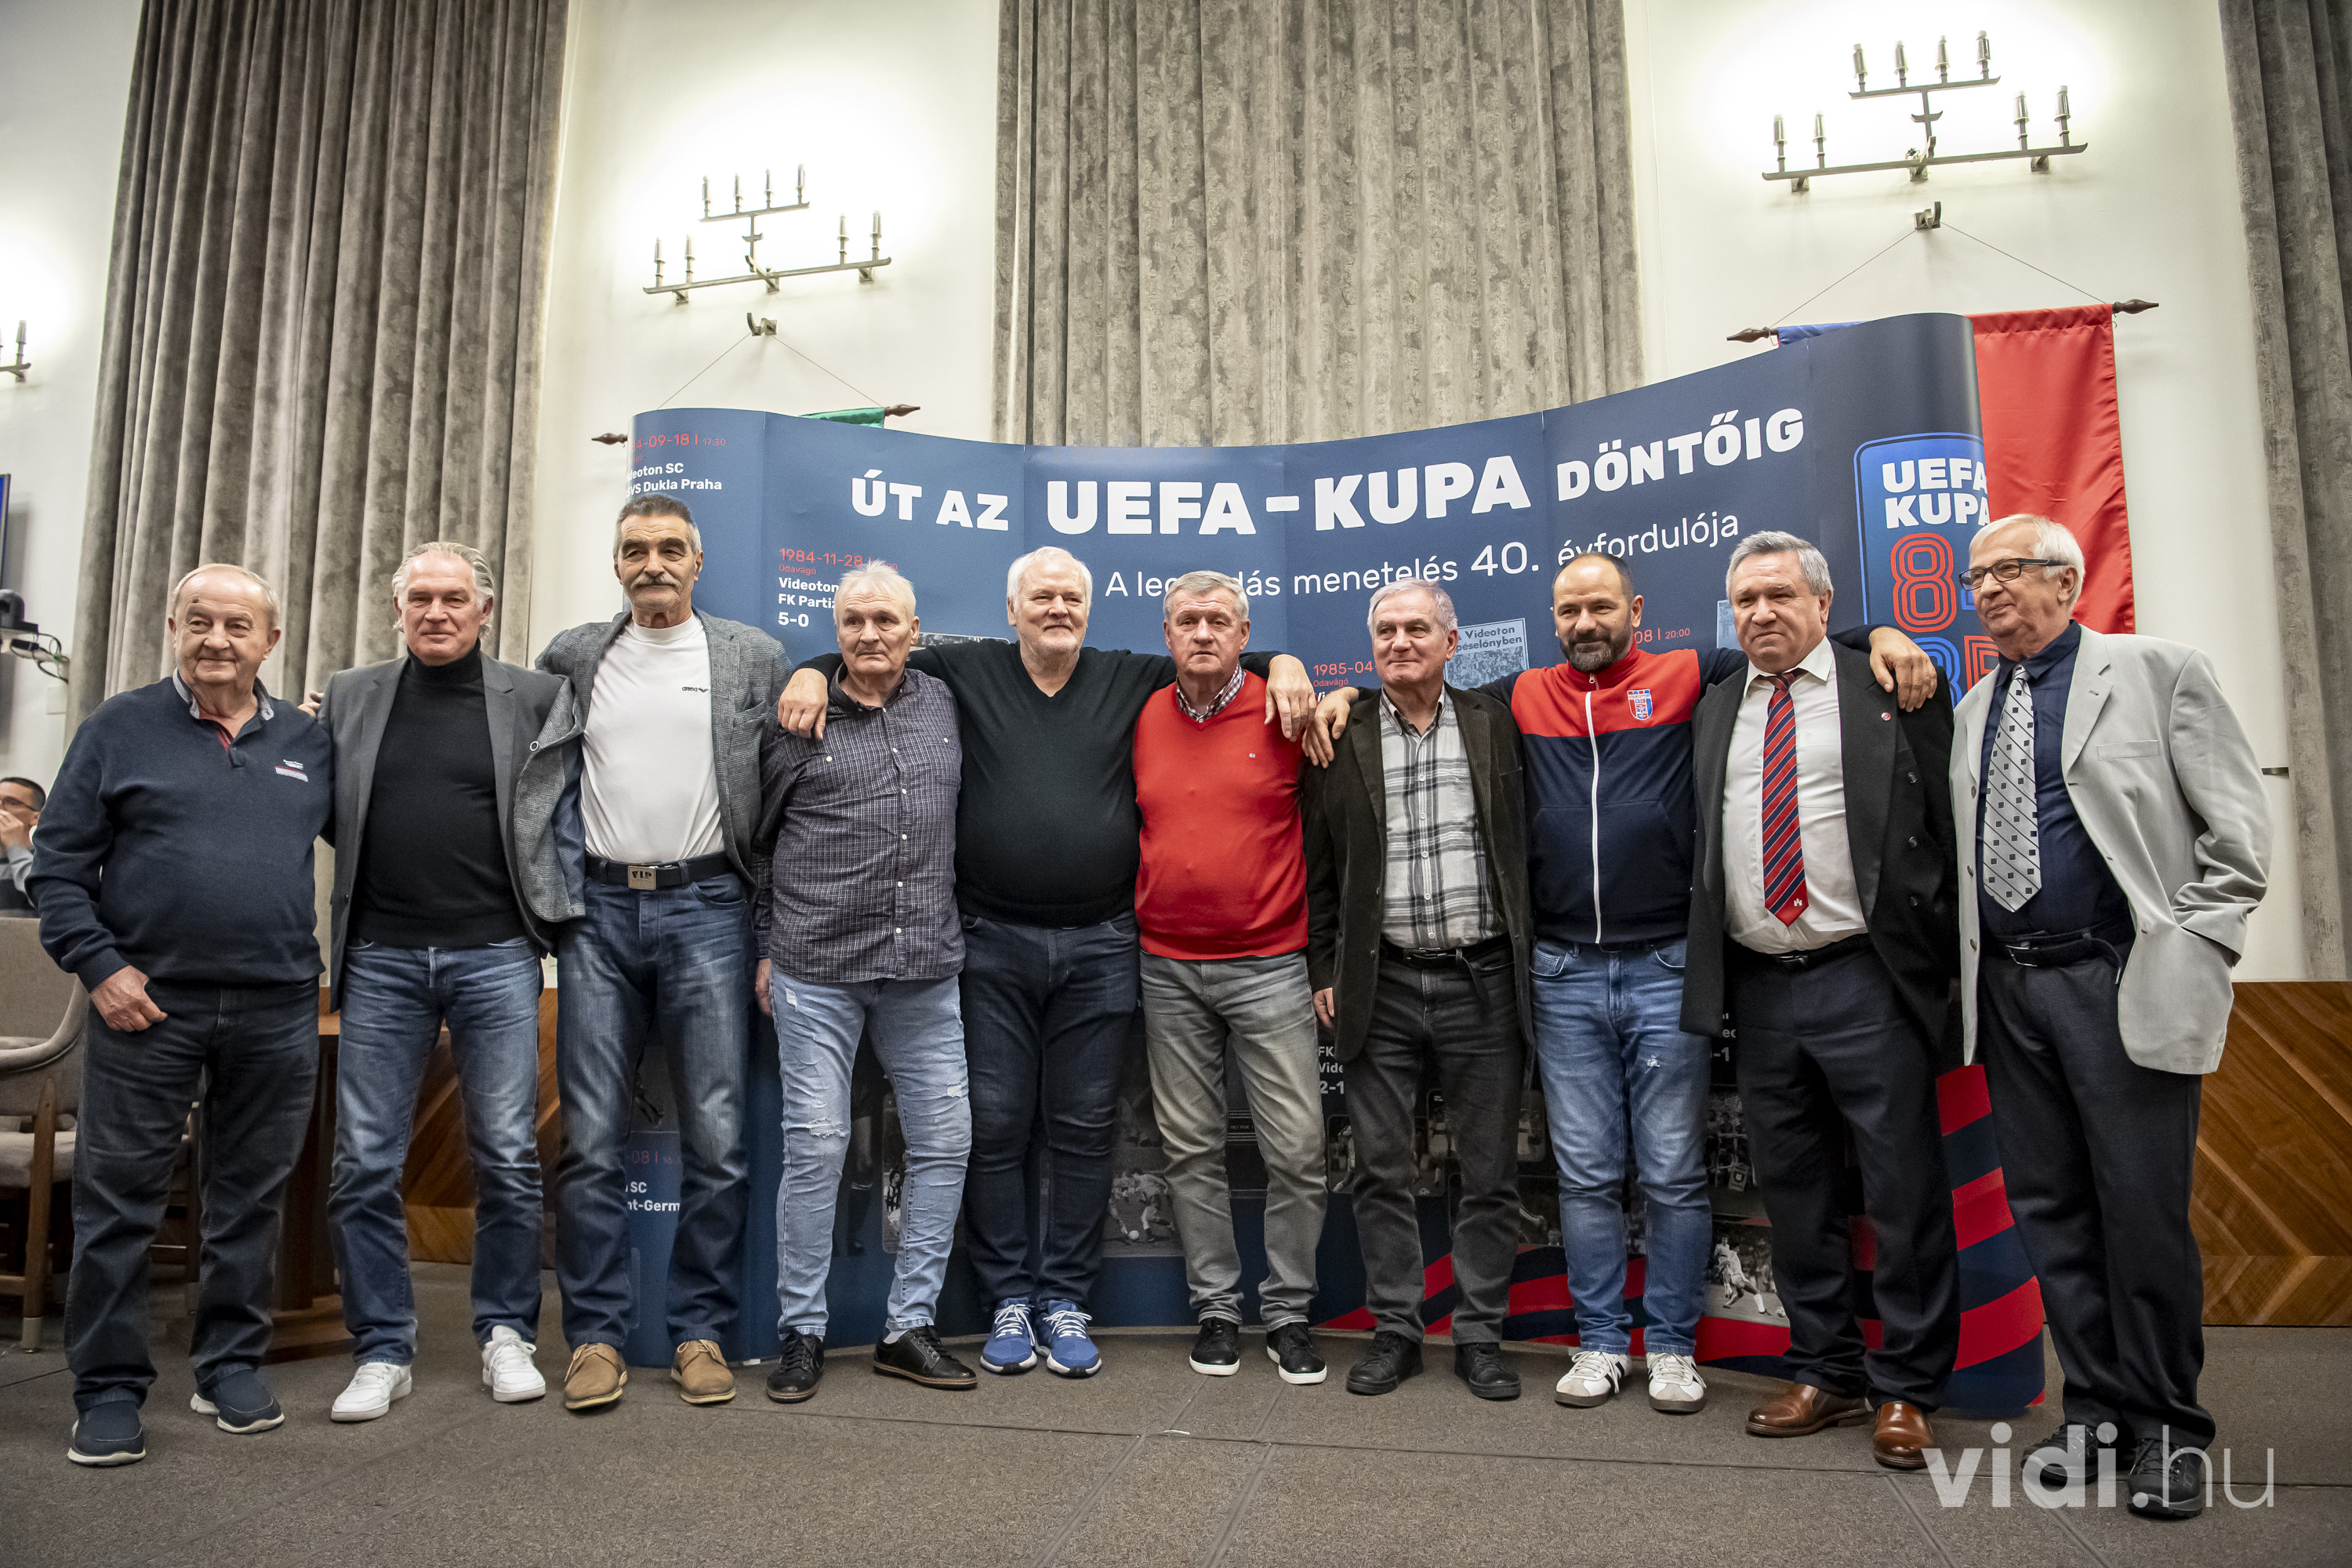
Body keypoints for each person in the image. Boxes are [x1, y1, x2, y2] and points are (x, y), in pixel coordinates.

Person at [1313, 553, 1936, 1414]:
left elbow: (1792, 645)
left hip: (1666, 966)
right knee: (1585, 1175)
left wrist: (1881, 636)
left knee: (1674, 1173)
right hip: (1561, 971)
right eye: (1569, 610)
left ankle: (1672, 1345)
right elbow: (1409, 694)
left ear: (1636, 610)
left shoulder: (1692, 675)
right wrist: (1341, 694)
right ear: (1552, 620)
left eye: (1601, 607)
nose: (1585, 623)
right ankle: (1601, 1340)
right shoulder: (1517, 698)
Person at [775, 546, 1317, 1380]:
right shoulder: (965, 669)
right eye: (1041, 598)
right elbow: (871, 654)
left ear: (1089, 612)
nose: (1057, 609)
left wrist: (1285, 663)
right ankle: (1006, 1299)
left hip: (1103, 944)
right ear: (1012, 611)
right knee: (994, 1126)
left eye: (1070, 598)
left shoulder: (1129, 675)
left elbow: (1214, 655)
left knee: (1085, 1127)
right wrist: (811, 672)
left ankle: (1065, 1297)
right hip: (990, 942)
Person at [1953, 515, 2268, 1520]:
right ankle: (2095, 1411)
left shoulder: (2160, 671)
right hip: (2011, 993)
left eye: (2009, 570)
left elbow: (2238, 835)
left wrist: (2196, 941)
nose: (1988, 589)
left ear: (2067, 579)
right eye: (1976, 576)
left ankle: (2170, 1426)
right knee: (2050, 1211)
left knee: (2141, 1211)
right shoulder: (1973, 705)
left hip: (2115, 979)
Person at [32, 564, 332, 1468]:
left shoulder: (310, 741)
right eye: (199, 620)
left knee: (248, 1199)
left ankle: (228, 1363)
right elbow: (57, 870)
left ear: (270, 641)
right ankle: (108, 1388)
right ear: (173, 627)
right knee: (117, 1203)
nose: (217, 639)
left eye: (238, 625)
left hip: (279, 1002)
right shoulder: (118, 726)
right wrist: (102, 969)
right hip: (145, 1006)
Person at [1680, 532, 1961, 1472]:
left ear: (1823, 603)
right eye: (1745, 599)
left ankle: (1909, 1386)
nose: (1761, 612)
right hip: (1760, 985)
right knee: (1794, 1192)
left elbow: (1944, 826)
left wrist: (1885, 635)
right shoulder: (1717, 702)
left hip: (1868, 975)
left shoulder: (1888, 684)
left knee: (1903, 1187)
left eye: (1779, 594)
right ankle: (1826, 1368)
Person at [512, 494, 786, 1413]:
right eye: (636, 549)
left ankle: (700, 1329)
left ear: (698, 562)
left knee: (718, 1136)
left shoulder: (751, 655)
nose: (653, 563)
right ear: (617, 564)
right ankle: (595, 1335)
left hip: (711, 907)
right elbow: (536, 772)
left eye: (671, 548)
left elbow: (783, 786)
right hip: (598, 912)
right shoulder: (574, 654)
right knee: (590, 1139)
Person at [309, 542, 564, 1421]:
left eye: (454, 598)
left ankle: (506, 1332)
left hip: (496, 953)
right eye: (419, 597)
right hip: (379, 956)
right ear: (398, 609)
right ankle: (383, 1346)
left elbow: (559, 811)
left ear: (484, 611)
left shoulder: (534, 696)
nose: (436, 611)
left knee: (508, 1154)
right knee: (363, 1161)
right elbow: (333, 812)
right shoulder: (349, 694)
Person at [1302, 578, 1532, 1403]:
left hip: (1485, 979)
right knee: (1381, 1169)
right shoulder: (1340, 734)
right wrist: (1323, 970)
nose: (1400, 642)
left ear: (1451, 642)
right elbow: (1319, 867)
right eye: (1386, 631)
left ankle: (1479, 1336)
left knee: (1489, 1173)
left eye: (1417, 629)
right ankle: (1396, 1331)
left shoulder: (1498, 721)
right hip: (1381, 981)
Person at [751, 564, 975, 1402]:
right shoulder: (795, 718)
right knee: (816, 1146)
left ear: (915, 630)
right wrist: (765, 946)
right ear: (835, 631)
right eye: (853, 621)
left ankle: (908, 1328)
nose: (870, 634)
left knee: (946, 1143)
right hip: (816, 967)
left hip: (924, 968)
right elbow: (760, 844)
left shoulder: (945, 700)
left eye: (886, 620)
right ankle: (802, 1333)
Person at [1134, 571, 1327, 1385]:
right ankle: (1217, 1309)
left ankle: (1288, 1313)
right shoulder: (1141, 711)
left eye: (1220, 620)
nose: (1204, 632)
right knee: (1190, 1150)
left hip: (1270, 963)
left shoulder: (1288, 711)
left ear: (1246, 636)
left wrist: (1299, 671)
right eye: (1188, 620)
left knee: (1299, 1150)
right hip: (1168, 966)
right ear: (1167, 634)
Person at [0, 775, 45, 914]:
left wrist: (16, 848)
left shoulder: (48, 861)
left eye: (12, 803)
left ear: (36, 818)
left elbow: (47, 900)